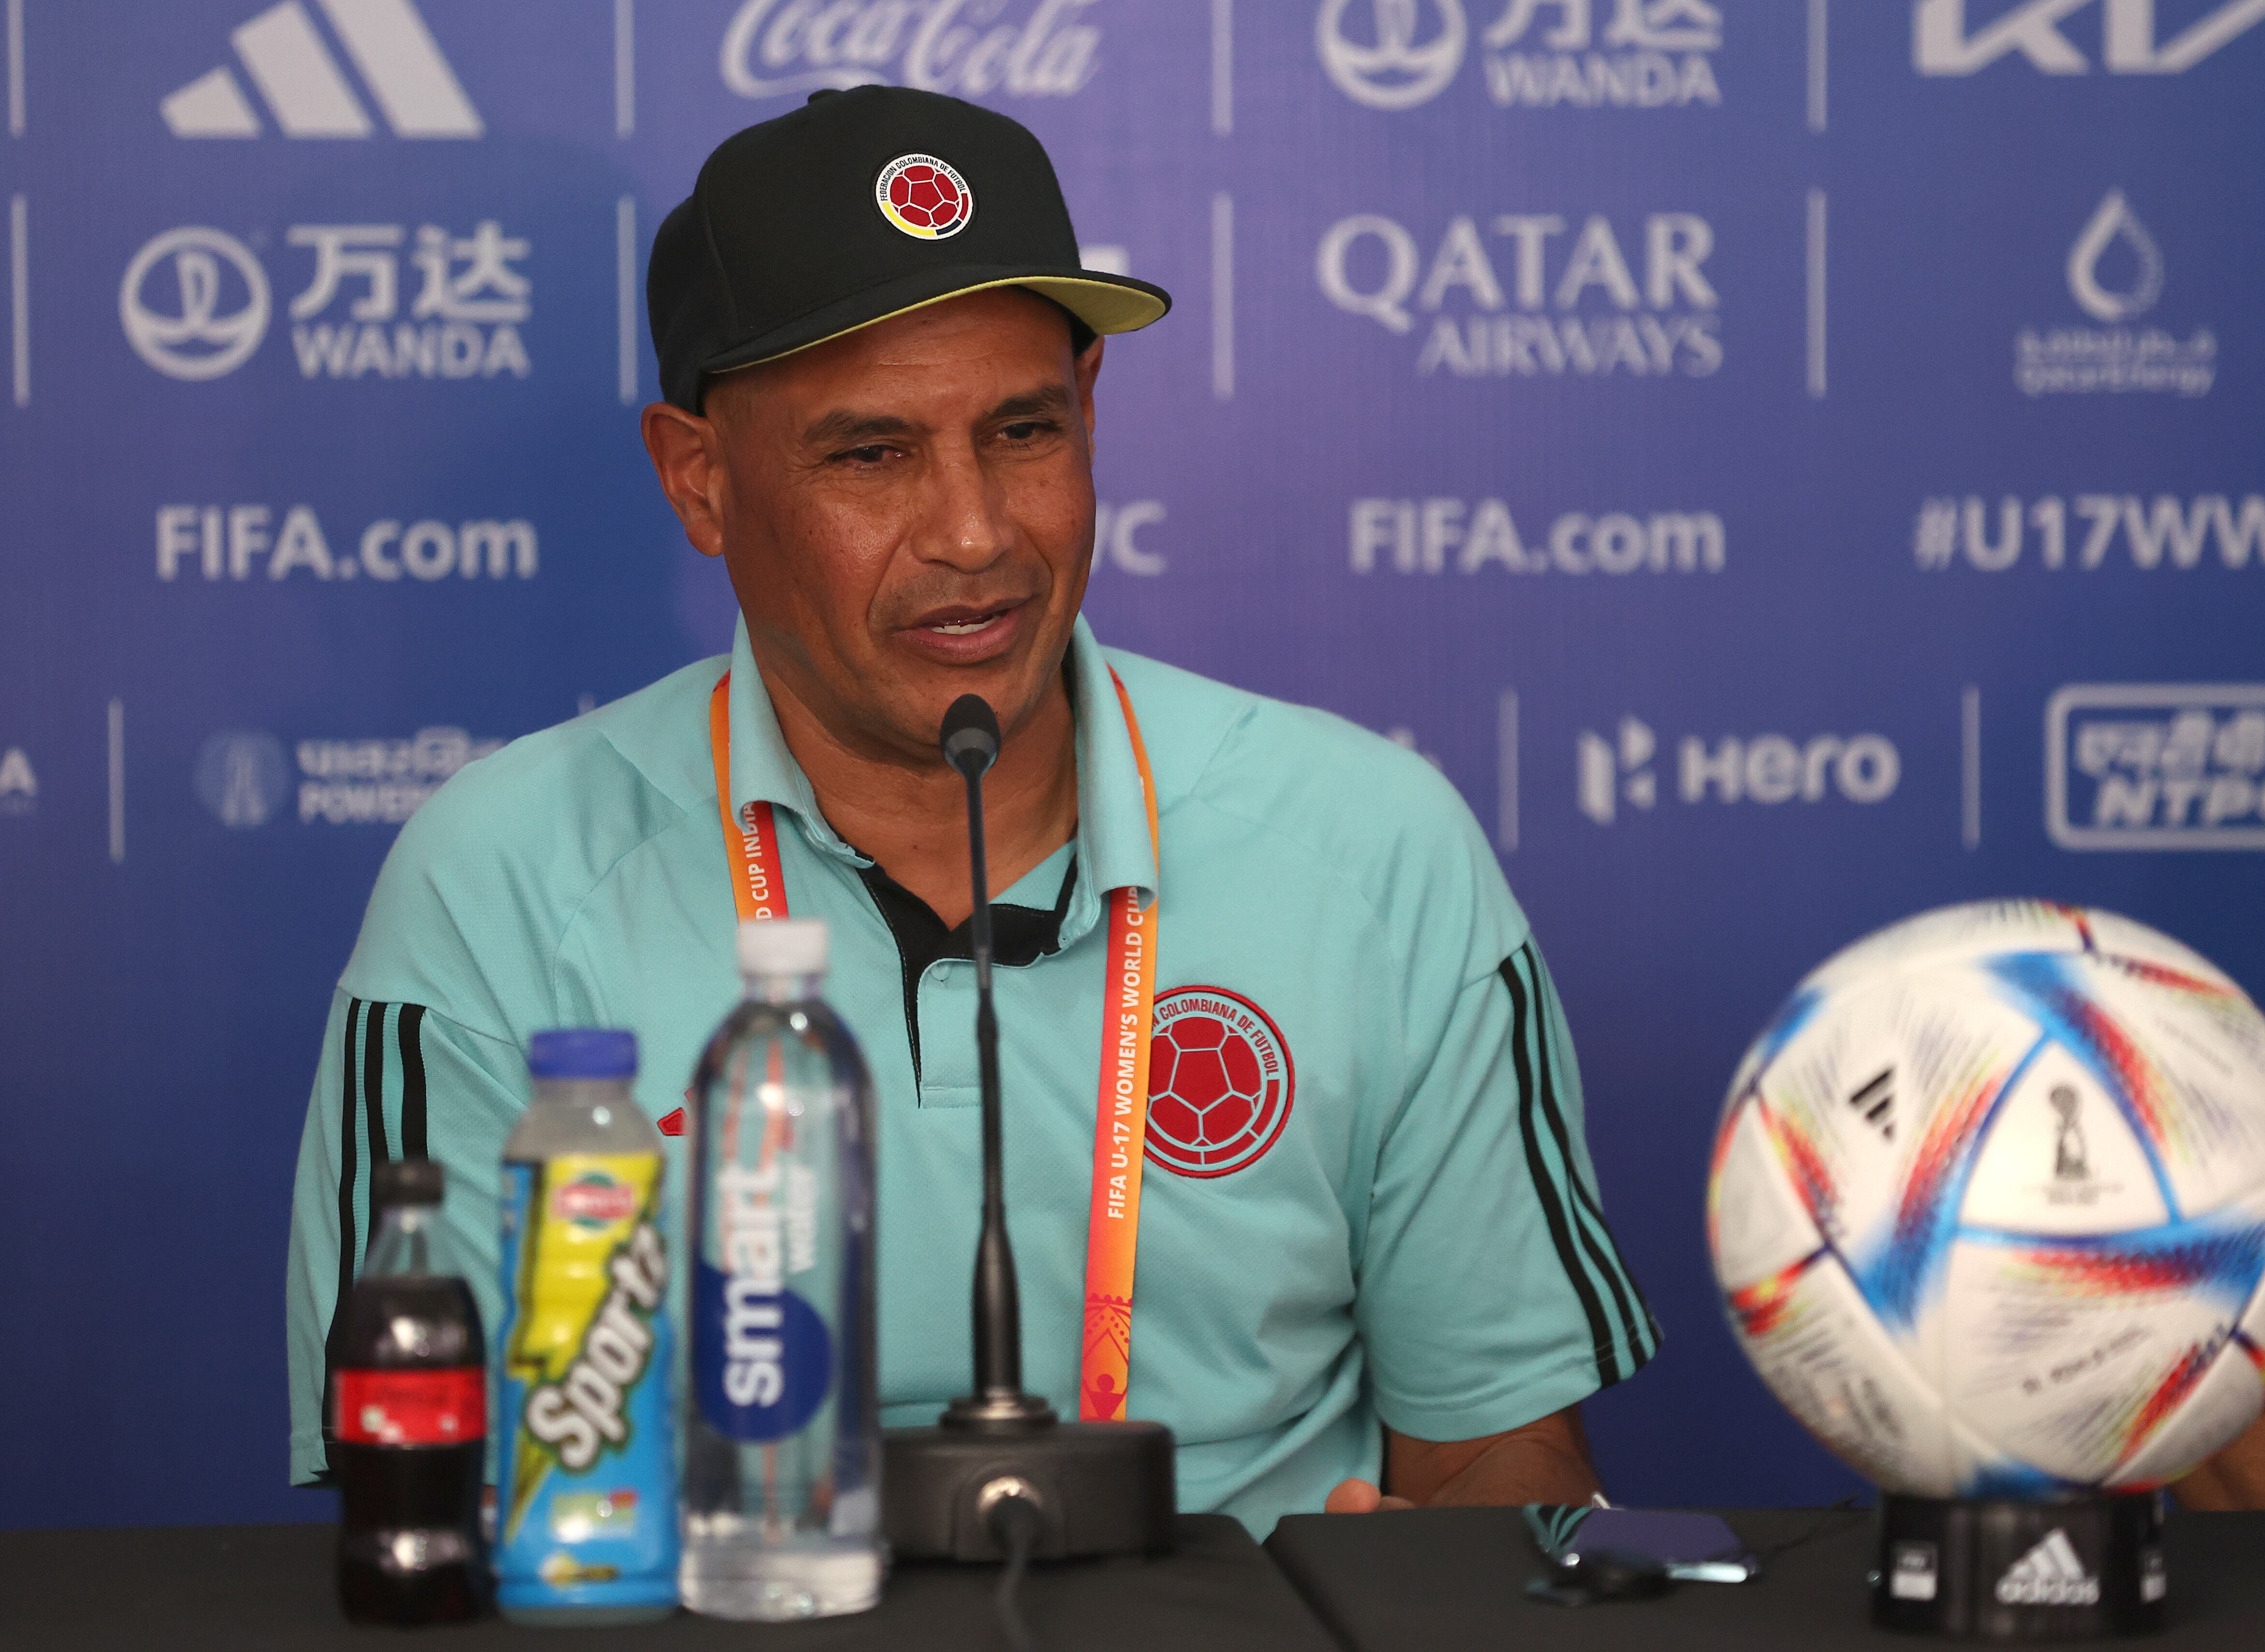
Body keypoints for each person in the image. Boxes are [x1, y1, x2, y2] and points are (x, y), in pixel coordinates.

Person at [284, 86, 1658, 1536]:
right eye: (870, 454)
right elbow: (438, 1504)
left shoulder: (1370, 846)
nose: (974, 533)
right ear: (700, 477)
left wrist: (1433, 1579)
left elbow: (1496, 1467)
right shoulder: (499, 882)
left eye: (1023, 429)